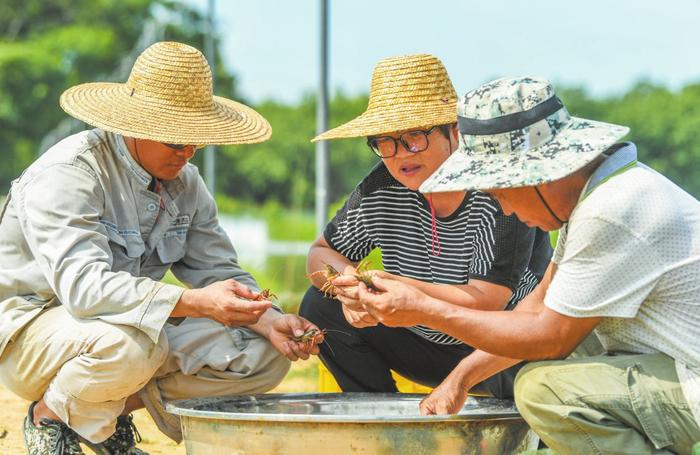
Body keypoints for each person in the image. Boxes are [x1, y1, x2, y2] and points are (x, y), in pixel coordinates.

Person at [0, 41, 321, 455]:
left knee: (262, 353)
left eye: (195, 141)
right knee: (134, 343)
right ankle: (50, 417)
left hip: (121, 330)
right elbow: (84, 290)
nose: (186, 153)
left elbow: (218, 269)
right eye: (176, 141)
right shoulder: (70, 174)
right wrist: (194, 302)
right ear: (135, 124)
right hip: (33, 332)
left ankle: (98, 416)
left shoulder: (188, 182)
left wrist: (268, 319)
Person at [352, 76, 700, 454]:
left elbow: (549, 336)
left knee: (543, 390)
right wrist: (461, 379)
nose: (504, 208)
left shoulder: (611, 210)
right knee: (564, 350)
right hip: (677, 367)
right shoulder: (596, 198)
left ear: (538, 174)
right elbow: (536, 308)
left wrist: (424, 310)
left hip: (691, 379)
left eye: (500, 191)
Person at [299, 55, 551, 396]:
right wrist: (353, 289)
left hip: (499, 350)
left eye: (414, 137)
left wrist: (396, 288)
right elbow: (321, 252)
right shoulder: (379, 187)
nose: (401, 154)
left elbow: (485, 300)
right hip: (422, 343)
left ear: (455, 132)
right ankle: (381, 422)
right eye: (384, 142)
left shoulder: (497, 188)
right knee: (319, 304)